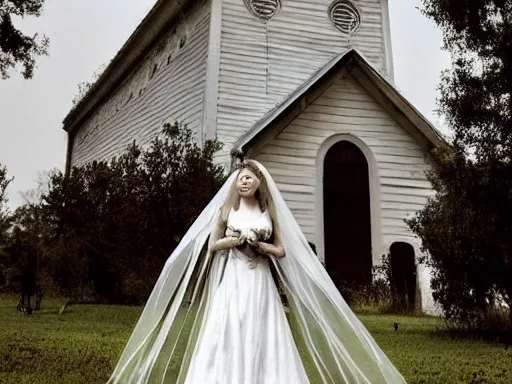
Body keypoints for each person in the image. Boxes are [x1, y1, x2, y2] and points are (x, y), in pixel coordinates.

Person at [108, 158, 406, 384]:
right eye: (240, 179)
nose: (244, 183)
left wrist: (261, 247)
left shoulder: (267, 213)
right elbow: (213, 245)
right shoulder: (227, 211)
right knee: (230, 326)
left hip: (260, 280)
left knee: (263, 330)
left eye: (249, 178)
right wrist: (237, 241)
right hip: (235, 279)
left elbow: (281, 250)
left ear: (259, 183)